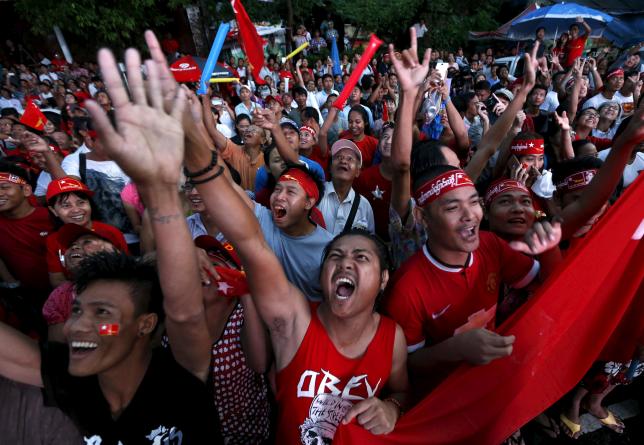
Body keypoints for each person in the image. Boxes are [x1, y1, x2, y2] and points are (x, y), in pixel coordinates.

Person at [0, 32, 225, 443]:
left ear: (146, 325)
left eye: (102, 314)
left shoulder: (181, 382)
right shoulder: (72, 381)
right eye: (79, 311)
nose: (76, 326)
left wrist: (158, 191)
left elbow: (187, 314)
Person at [41, 222, 129, 342]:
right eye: (72, 245)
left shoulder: (131, 289)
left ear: (112, 251)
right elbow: (58, 344)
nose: (74, 247)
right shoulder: (60, 295)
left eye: (87, 242)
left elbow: (127, 332)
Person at [45, 177, 128, 287]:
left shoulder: (111, 232)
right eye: (66, 205)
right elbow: (57, 280)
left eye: (81, 202)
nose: (76, 209)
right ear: (53, 210)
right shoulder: (53, 240)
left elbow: (127, 268)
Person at [0, 160, 53, 301]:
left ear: (26, 190)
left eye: (4, 187)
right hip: (22, 298)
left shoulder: (51, 218)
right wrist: (10, 283)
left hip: (60, 293)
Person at [317, 139, 375, 235]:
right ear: (330, 168)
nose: (343, 161)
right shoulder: (317, 192)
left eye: (350, 159)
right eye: (339, 157)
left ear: (357, 172)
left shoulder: (364, 206)